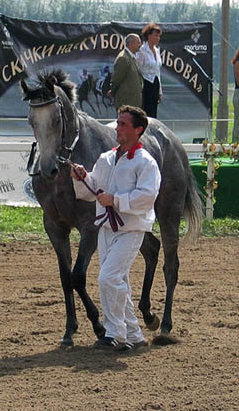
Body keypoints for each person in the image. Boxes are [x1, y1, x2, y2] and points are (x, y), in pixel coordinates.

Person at [70, 105, 161, 352]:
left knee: (108, 278)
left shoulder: (146, 163)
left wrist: (116, 200)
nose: (117, 127)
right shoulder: (106, 159)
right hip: (106, 229)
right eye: (118, 122)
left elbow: (147, 197)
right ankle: (134, 333)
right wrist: (82, 178)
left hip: (131, 230)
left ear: (137, 130)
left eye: (123, 124)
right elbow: (93, 188)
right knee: (118, 280)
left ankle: (115, 333)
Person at [109, 34, 143, 111]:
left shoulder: (132, 57)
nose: (140, 45)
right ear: (131, 43)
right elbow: (116, 79)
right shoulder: (123, 58)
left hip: (133, 102)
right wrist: (113, 91)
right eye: (138, 42)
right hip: (126, 103)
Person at [136, 23, 163, 118]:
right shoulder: (142, 50)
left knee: (153, 113)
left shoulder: (157, 50)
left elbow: (157, 72)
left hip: (155, 84)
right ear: (149, 36)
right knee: (145, 112)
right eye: (155, 35)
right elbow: (137, 69)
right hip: (145, 84)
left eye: (159, 36)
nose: (158, 38)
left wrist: (160, 91)